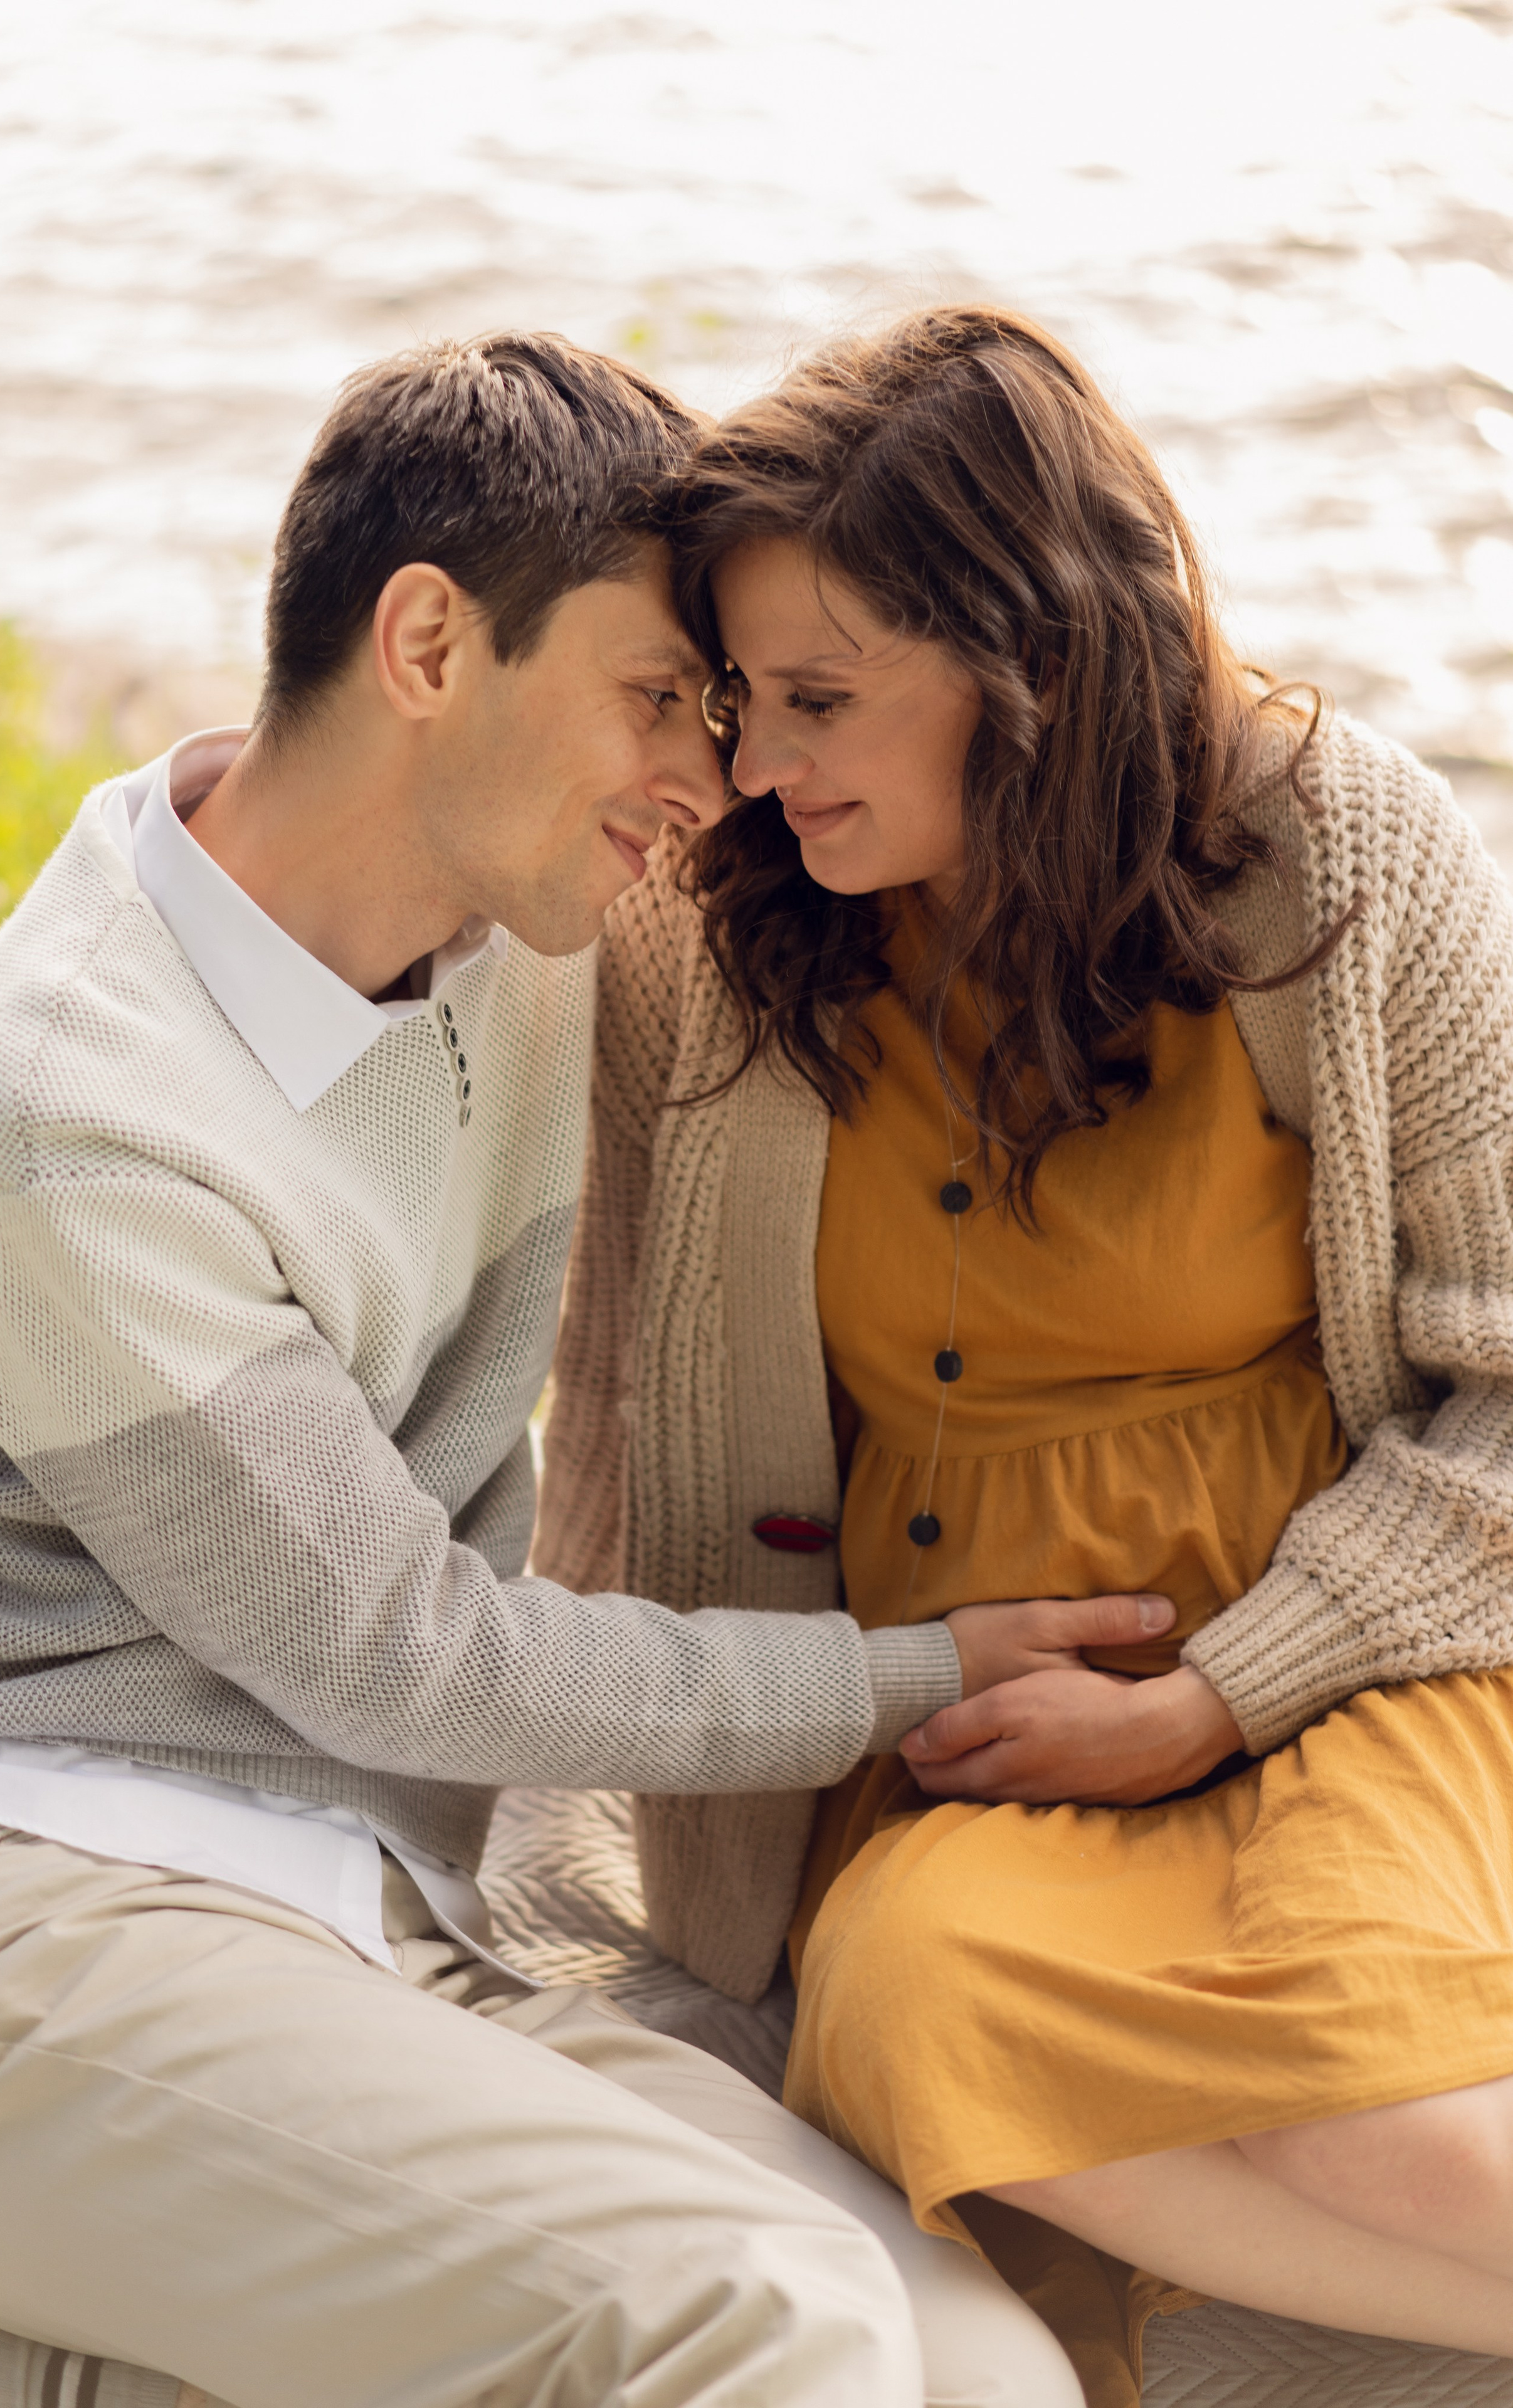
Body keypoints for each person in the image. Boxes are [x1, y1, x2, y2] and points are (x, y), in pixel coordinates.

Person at [0, 334, 1083, 2408]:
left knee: (984, 2366)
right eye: (661, 700)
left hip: (372, 1906)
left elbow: (951, 821)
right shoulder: (64, 1115)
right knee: (763, 2327)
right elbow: (410, 1662)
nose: (713, 780)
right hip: (29, 1892)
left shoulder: (524, 948)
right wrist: (928, 1677)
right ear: (432, 645)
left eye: (723, 718)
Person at [536, 304, 1513, 2408]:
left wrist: (1219, 1699)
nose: (759, 766)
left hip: (1356, 1656)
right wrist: (543, 1766)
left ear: (1033, 659)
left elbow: (1510, 1387)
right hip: (955, 1731)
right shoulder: (712, 945)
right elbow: (614, 1394)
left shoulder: (1338, 853)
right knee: (902, 2012)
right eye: (738, 698)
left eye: (821, 700)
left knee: (1365, 2102)